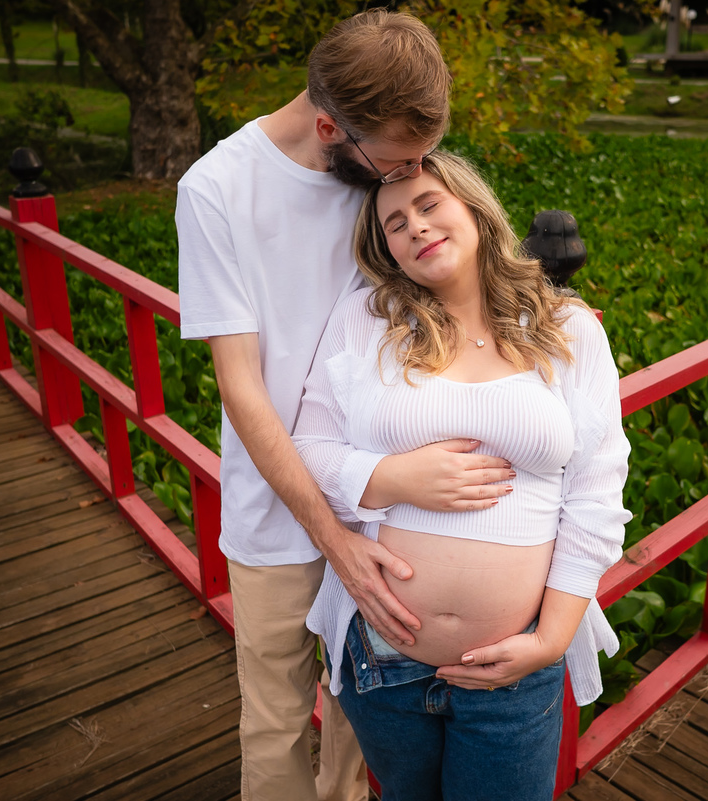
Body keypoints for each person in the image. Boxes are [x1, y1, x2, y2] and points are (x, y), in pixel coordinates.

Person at [176, 11, 515, 801]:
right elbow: (242, 387)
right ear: (331, 127)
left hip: (389, 504)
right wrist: (332, 540)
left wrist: (538, 327)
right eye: (401, 160)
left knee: (361, 721)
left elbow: (448, 283)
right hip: (276, 514)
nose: (415, 173)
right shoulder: (217, 191)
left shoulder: (380, 171)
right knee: (275, 723)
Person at [293, 151, 632, 800]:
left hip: (514, 662)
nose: (415, 227)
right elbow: (308, 446)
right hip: (384, 657)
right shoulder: (366, 321)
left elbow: (595, 490)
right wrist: (392, 478)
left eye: (429, 206)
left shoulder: (566, 328)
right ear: (387, 250)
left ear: (475, 209)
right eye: (395, 224)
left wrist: (551, 638)